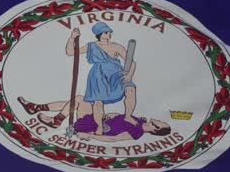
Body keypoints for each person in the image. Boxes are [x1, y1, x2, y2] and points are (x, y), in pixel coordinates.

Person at [17, 94, 172, 141]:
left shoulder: (137, 132)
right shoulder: (140, 120)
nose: (161, 119)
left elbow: (113, 139)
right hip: (99, 118)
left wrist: (88, 135)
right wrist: (115, 115)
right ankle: (36, 108)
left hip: (94, 127)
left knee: (78, 99)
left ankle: (55, 120)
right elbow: (120, 119)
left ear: (157, 128)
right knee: (75, 102)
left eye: (162, 122)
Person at [71, 23, 136, 134]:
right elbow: (71, 52)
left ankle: (128, 116)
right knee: (98, 102)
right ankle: (99, 126)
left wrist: (129, 75)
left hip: (117, 74)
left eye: (110, 32)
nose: (109, 34)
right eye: (106, 32)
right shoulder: (91, 46)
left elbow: (131, 62)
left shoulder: (117, 46)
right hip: (98, 75)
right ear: (99, 34)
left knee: (130, 89)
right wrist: (72, 37)